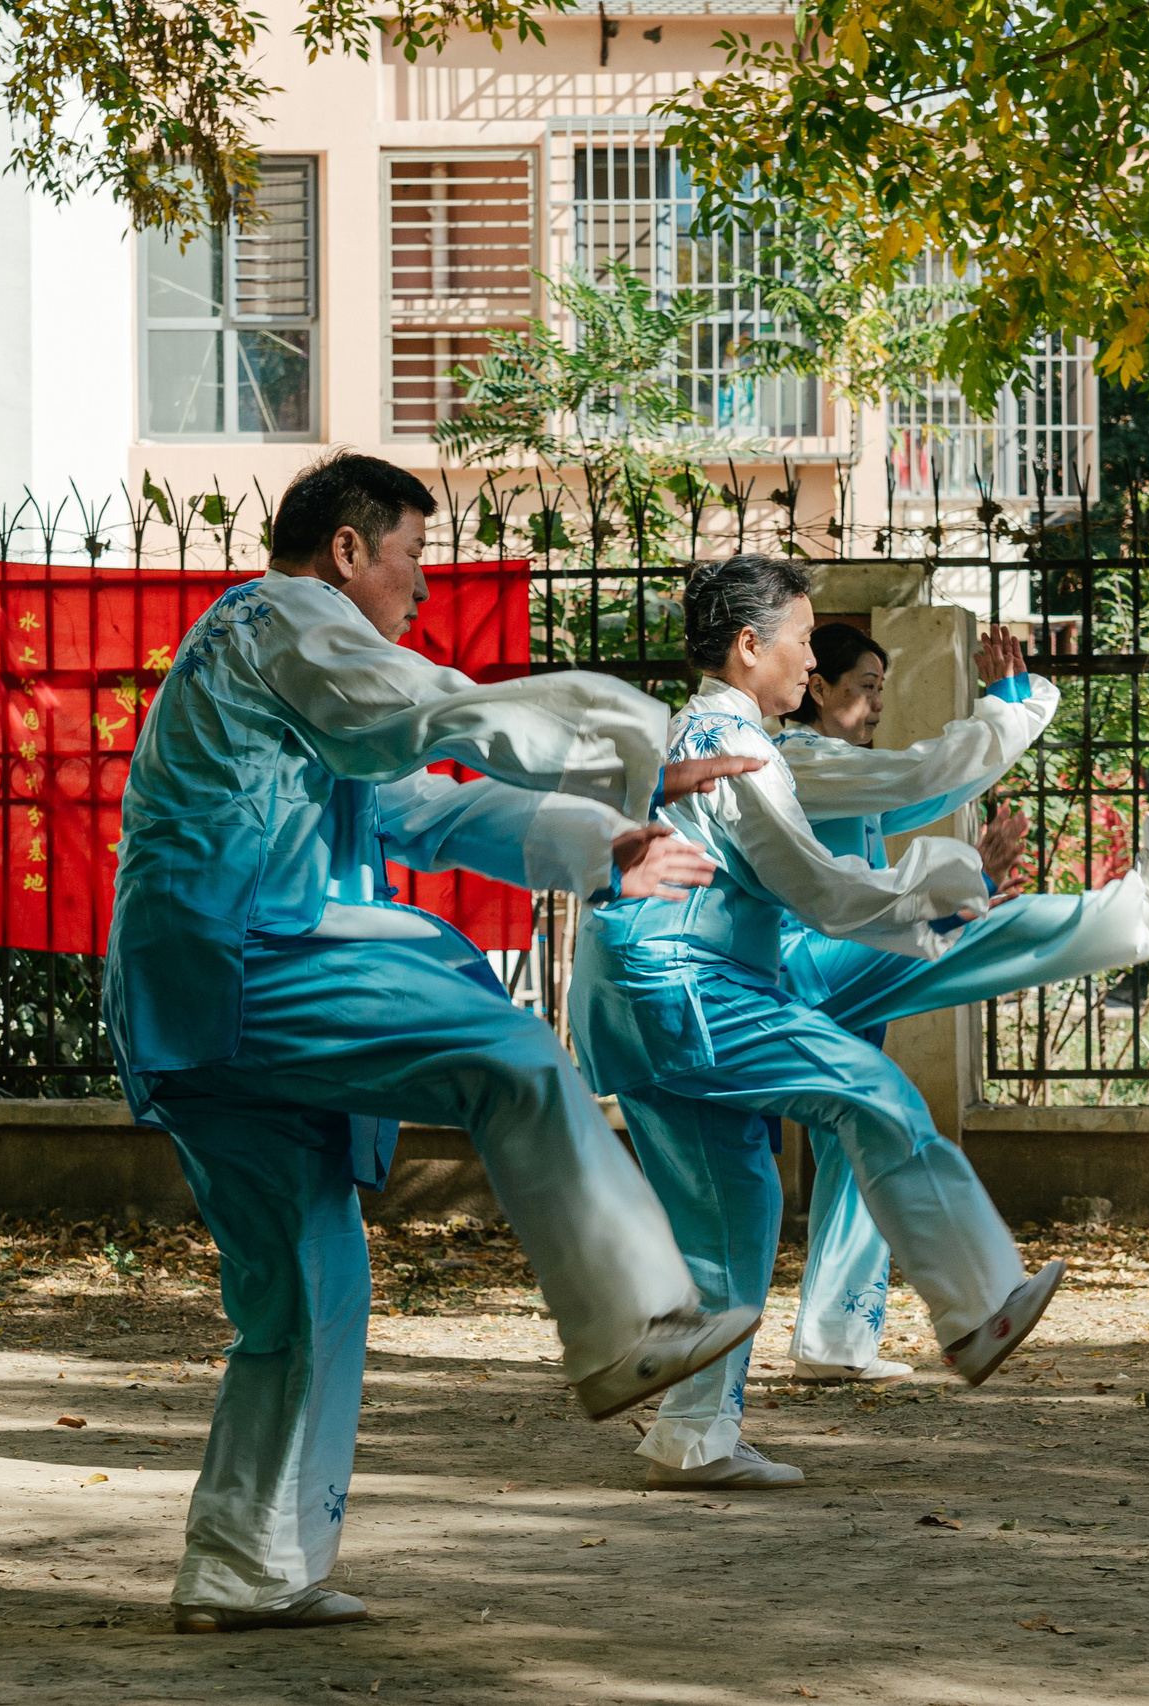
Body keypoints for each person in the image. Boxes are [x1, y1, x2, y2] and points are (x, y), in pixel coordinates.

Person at [103, 452, 762, 1634]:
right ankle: (628, 1321)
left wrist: (609, 834)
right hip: (241, 964)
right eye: (409, 555)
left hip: (193, 1001)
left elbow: (427, 801)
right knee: (505, 1053)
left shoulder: (292, 667)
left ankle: (243, 1562)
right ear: (345, 550)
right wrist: (623, 741)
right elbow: (430, 713)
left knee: (305, 1293)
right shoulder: (286, 619)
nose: (420, 584)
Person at [570, 554, 1065, 1492]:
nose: (809, 659)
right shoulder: (736, 743)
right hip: (685, 989)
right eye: (800, 639)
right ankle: (981, 1304)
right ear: (750, 645)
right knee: (872, 1092)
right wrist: (954, 886)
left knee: (733, 1211)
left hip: (639, 998)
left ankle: (692, 1436)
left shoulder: (703, 732)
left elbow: (831, 861)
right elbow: (819, 889)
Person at [772, 621, 1149, 1383]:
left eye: (881, 691)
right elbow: (921, 776)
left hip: (833, 963)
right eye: (863, 687)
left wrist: (1015, 702)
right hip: (809, 966)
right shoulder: (803, 760)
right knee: (973, 933)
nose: (875, 705)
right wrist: (1010, 712)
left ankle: (834, 1341)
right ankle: (1134, 912)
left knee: (861, 1137)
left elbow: (939, 783)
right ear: (818, 689)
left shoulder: (839, 768)